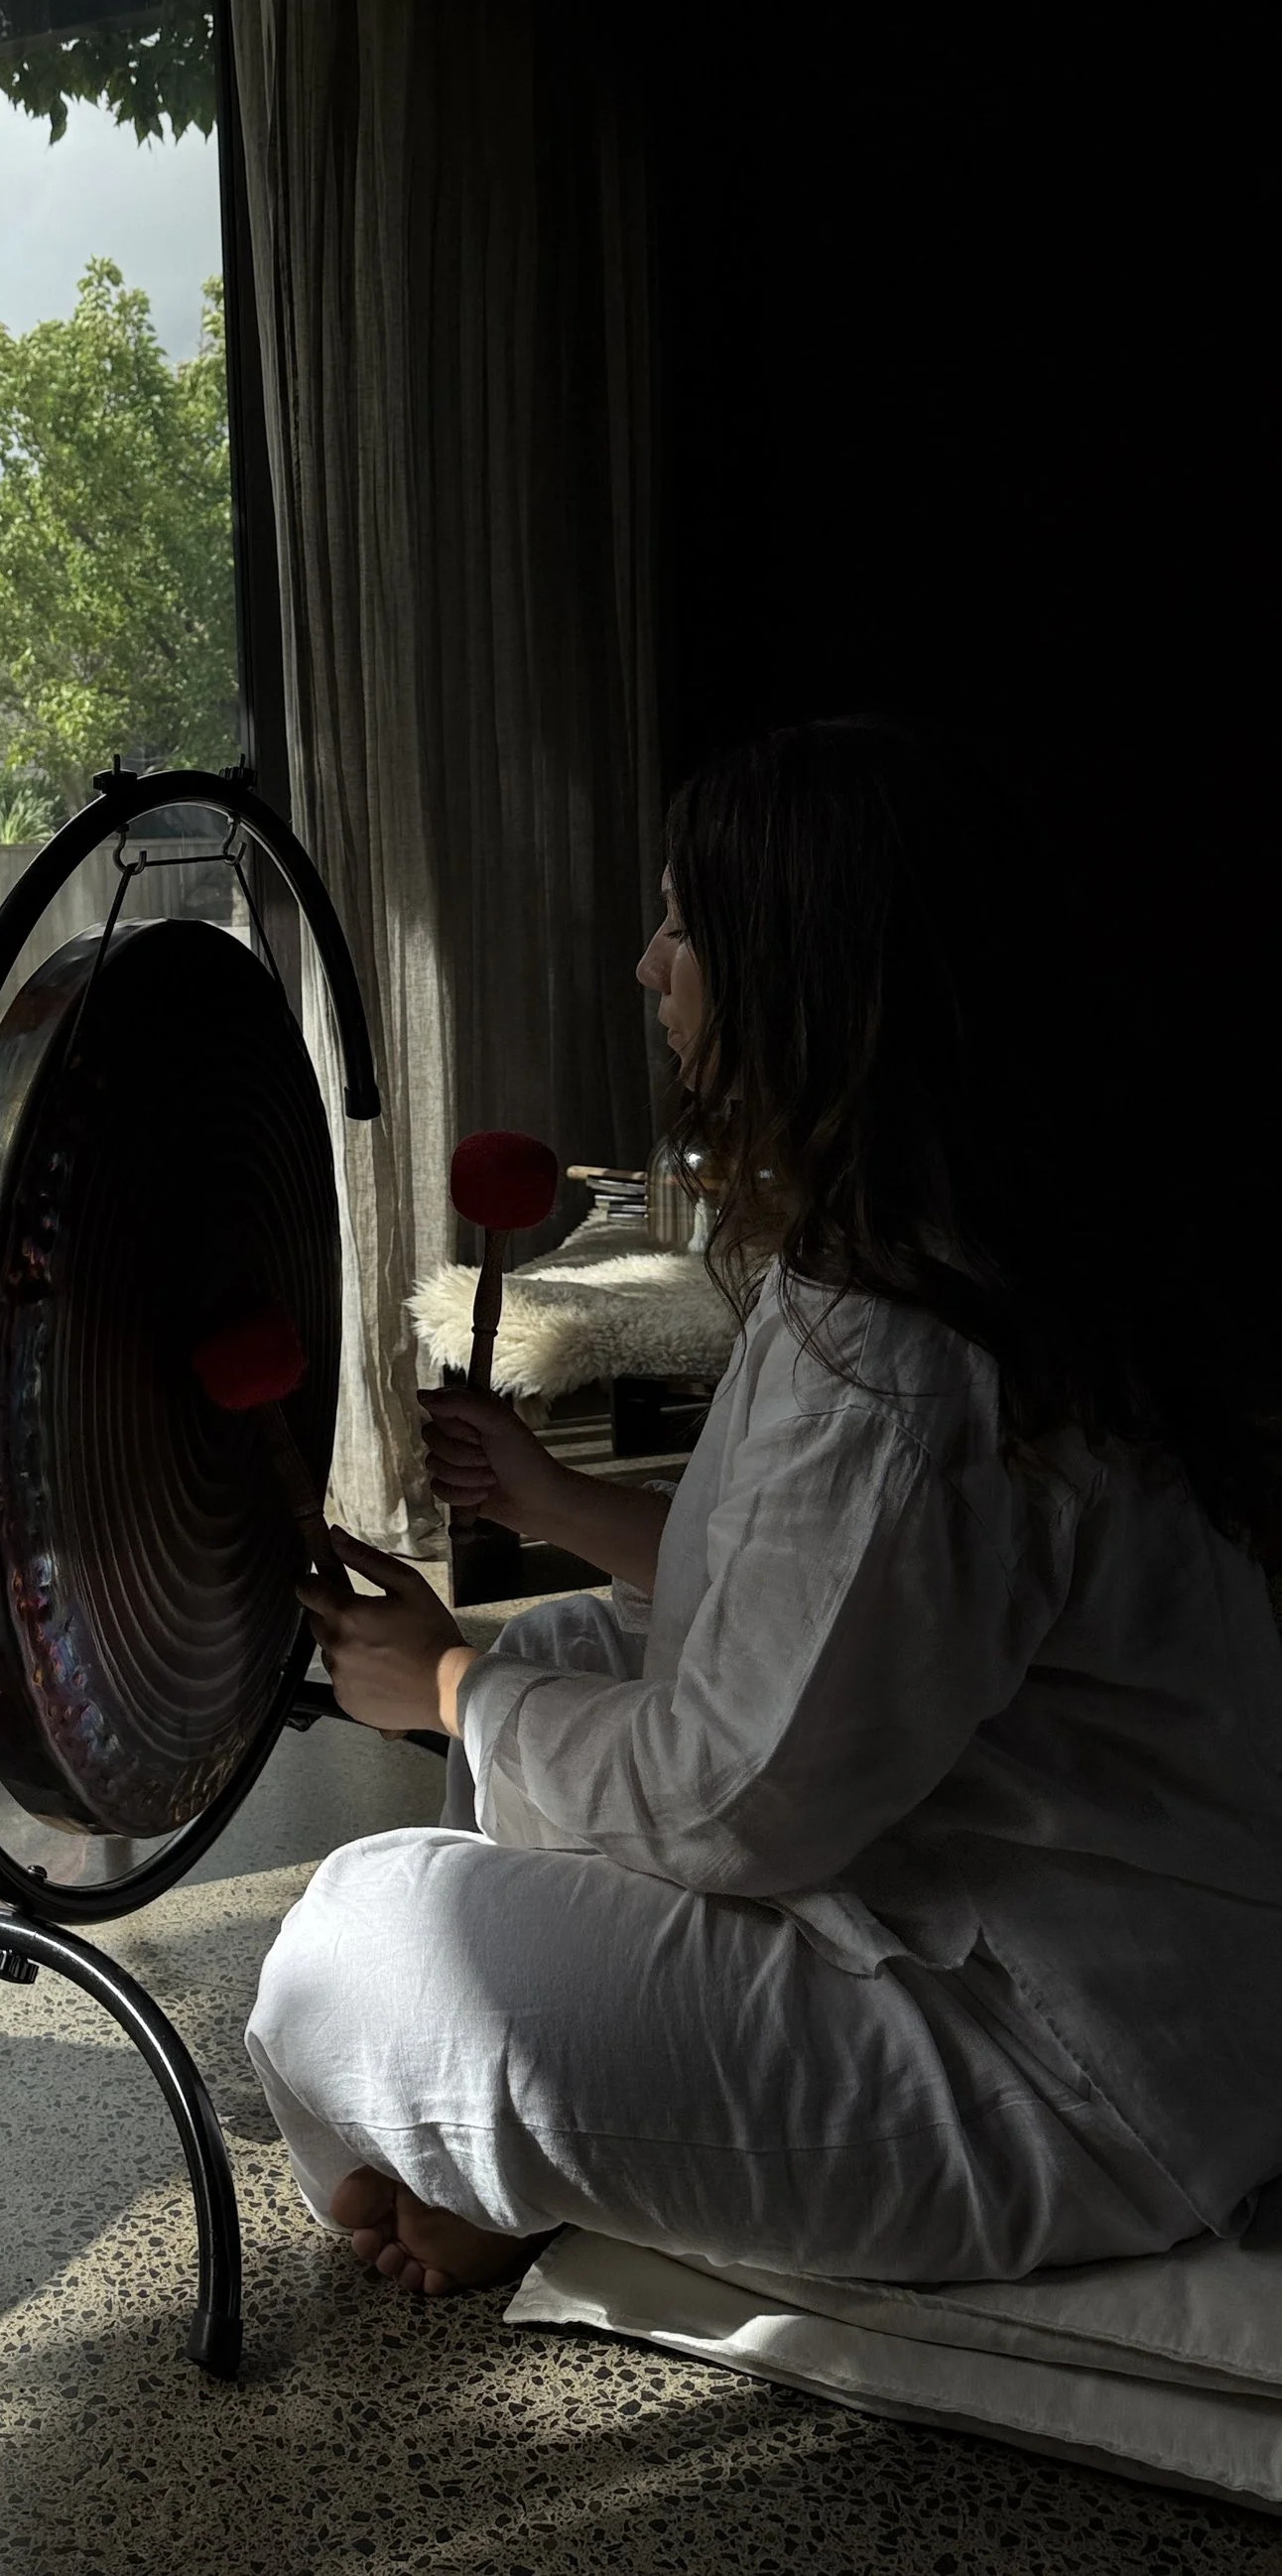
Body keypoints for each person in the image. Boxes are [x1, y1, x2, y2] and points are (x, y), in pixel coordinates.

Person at [247, 717, 1282, 2299]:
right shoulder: (939, 1244)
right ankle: (521, 2158)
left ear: (806, 974)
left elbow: (741, 1802)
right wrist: (551, 1506)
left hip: (1076, 2052)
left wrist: (449, 1687)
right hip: (1025, 1894)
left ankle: (501, 2165)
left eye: (683, 926)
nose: (648, 968)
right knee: (573, 1653)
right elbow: (811, 1605)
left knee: (357, 1943)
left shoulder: (905, 1351)